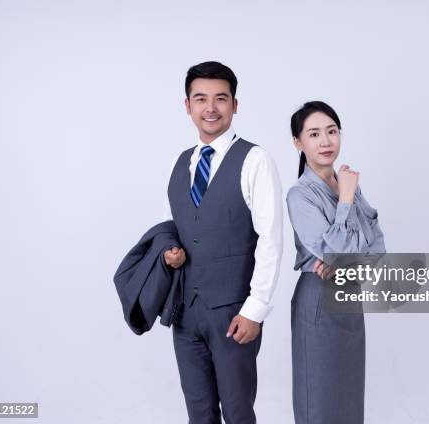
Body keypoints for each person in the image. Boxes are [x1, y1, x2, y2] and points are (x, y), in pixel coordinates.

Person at [161, 61, 283, 423]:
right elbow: (177, 226)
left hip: (234, 312)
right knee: (198, 413)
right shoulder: (179, 162)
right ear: (187, 106)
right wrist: (172, 255)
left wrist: (255, 308)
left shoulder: (255, 159)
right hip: (185, 311)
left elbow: (271, 237)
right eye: (200, 99)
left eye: (220, 98)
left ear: (235, 105)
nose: (210, 108)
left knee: (237, 411)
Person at [286, 101, 386, 424]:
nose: (326, 141)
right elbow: (336, 254)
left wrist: (342, 257)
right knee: (319, 401)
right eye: (314, 134)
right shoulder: (300, 195)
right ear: (298, 143)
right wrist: (345, 200)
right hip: (317, 299)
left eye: (332, 131)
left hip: (349, 298)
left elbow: (378, 248)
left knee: (349, 402)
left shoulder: (348, 184)